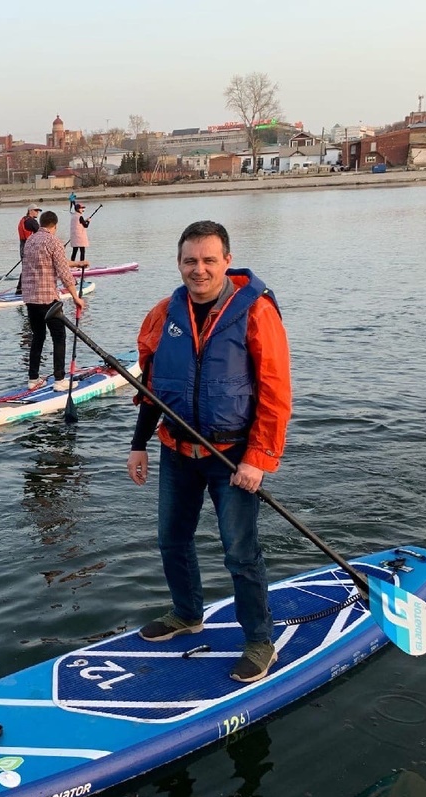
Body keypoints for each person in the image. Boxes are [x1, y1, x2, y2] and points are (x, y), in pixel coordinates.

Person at [127, 220, 292, 683]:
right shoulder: (164, 314)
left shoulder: (256, 312)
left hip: (232, 457)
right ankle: (187, 613)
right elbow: (152, 388)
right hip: (176, 451)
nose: (198, 270)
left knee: (240, 551)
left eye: (208, 260)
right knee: (172, 540)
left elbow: (275, 393)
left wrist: (258, 459)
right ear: (179, 263)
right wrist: (139, 444)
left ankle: (259, 641)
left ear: (226, 261)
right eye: (190, 261)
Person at [21, 210, 86, 391]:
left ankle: (33, 378)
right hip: (49, 299)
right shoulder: (54, 241)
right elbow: (63, 273)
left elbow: (51, 262)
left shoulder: (30, 241)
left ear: (41, 223)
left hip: (30, 299)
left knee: (38, 337)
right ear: (55, 226)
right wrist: (76, 297)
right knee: (59, 337)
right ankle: (59, 380)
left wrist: (77, 264)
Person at [14, 205, 41, 295]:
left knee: (26, 268)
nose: (37, 212)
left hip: (22, 246)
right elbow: (41, 233)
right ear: (30, 211)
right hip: (29, 247)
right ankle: (35, 287)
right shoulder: (32, 221)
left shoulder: (23, 219)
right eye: (36, 210)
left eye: (38, 211)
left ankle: (20, 289)